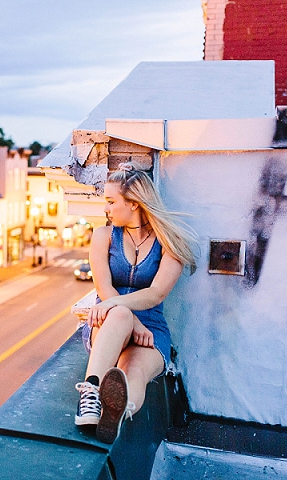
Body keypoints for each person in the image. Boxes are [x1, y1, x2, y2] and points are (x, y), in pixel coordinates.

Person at [74, 162, 197, 444]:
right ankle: (91, 393)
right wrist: (133, 320)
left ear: (133, 204)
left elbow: (156, 294)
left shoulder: (169, 241)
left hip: (151, 330)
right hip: (108, 323)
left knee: (134, 372)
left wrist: (139, 322)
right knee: (119, 315)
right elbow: (104, 289)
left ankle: (117, 413)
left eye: (110, 201)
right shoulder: (103, 237)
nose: (105, 209)